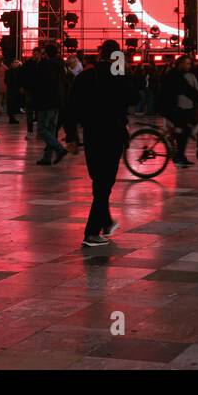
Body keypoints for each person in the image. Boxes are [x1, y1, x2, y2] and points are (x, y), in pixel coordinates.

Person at [65, 41, 136, 248]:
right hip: (112, 134)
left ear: (99, 54)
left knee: (99, 181)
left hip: (92, 133)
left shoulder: (85, 76)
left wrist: (71, 137)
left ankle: (105, 222)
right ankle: (92, 232)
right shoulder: (118, 76)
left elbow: (71, 108)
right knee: (105, 184)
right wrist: (124, 73)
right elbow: (134, 98)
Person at [159, 55, 198, 166]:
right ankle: (179, 157)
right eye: (187, 63)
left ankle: (179, 154)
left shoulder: (177, 74)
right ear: (180, 63)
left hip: (171, 106)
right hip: (167, 107)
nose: (189, 66)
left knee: (183, 128)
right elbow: (187, 90)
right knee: (185, 128)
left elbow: (188, 90)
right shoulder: (174, 75)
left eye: (189, 64)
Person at [32, 46, 70, 165]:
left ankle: (59, 149)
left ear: (46, 53)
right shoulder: (61, 65)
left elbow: (40, 83)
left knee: (42, 129)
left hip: (46, 101)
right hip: (58, 101)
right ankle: (47, 157)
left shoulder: (45, 65)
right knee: (52, 130)